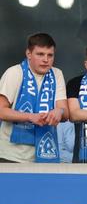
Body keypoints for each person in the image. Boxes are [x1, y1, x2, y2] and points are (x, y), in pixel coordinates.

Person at [0, 33, 69, 163]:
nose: (45, 59)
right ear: (29, 54)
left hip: (46, 155)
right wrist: (31, 117)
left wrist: (59, 112)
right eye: (40, 54)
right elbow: (1, 110)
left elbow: (65, 111)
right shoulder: (14, 72)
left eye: (50, 55)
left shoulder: (57, 74)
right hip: (11, 156)